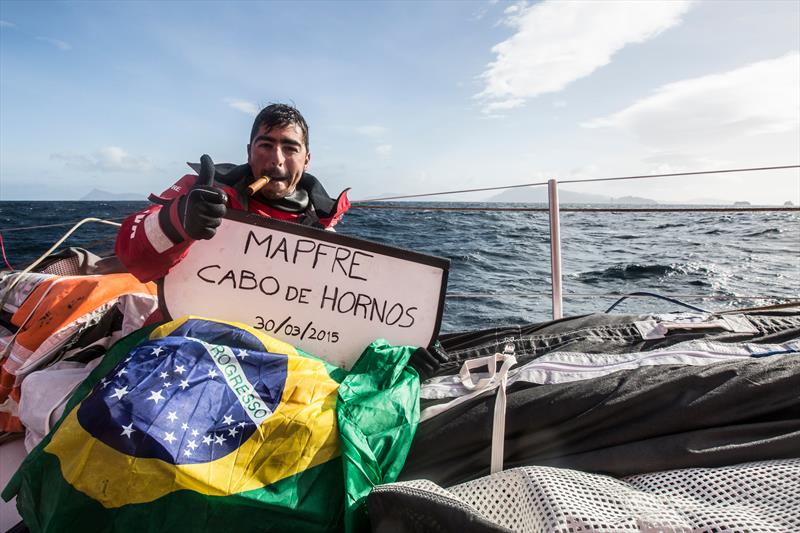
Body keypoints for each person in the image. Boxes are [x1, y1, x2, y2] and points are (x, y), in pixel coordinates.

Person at [115, 103, 350, 283]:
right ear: (249, 152)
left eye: (290, 149)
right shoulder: (201, 192)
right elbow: (132, 256)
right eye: (266, 146)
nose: (276, 160)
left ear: (306, 159)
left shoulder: (323, 218)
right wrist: (178, 221)